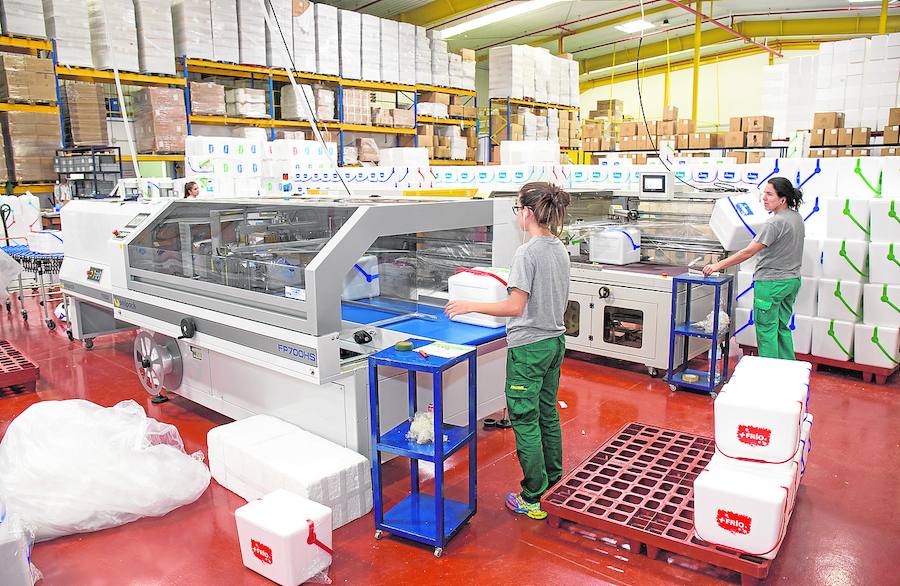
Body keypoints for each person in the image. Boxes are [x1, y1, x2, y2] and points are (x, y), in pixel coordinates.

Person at [445, 182, 571, 520]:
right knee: (547, 413)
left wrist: (470, 304)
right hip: (554, 342)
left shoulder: (527, 253)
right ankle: (554, 481)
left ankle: (532, 495)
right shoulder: (558, 247)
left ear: (527, 212)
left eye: (518, 208)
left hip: (529, 347)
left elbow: (516, 306)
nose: (518, 215)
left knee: (525, 419)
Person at [703, 177, 804, 360]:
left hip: (771, 284)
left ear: (783, 199)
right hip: (792, 281)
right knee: (781, 327)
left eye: (769, 194)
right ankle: (788, 369)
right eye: (764, 193)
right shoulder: (795, 217)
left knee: (766, 330)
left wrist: (717, 265)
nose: (764, 198)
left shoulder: (774, 223)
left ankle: (769, 371)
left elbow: (748, 252)